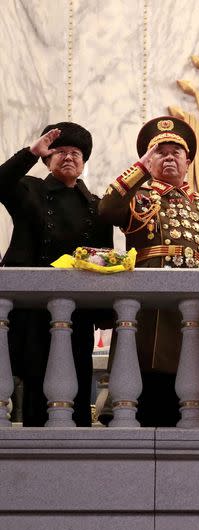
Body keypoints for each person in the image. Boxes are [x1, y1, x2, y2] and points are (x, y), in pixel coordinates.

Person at [98, 116, 199, 426]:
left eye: (175, 152)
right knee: (140, 401)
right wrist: (140, 169)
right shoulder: (138, 198)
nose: (169, 157)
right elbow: (106, 210)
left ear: (188, 161)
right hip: (148, 320)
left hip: (191, 317)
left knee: (184, 409)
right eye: (160, 152)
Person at [0, 122, 113, 426]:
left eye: (75, 153)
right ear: (47, 160)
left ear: (84, 162)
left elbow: (105, 257)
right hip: (33, 307)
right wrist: (29, 153)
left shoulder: (97, 206)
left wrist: (104, 314)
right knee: (37, 382)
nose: (68, 157)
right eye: (59, 152)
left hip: (78, 311)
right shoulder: (29, 190)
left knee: (77, 378)